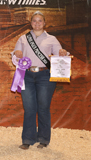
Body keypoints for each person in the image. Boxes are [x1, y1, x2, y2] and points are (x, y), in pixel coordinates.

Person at [13, 11, 68, 150]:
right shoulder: (23, 38)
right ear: (31, 23)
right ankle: (27, 139)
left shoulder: (52, 39)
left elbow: (60, 53)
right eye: (34, 21)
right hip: (27, 75)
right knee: (29, 108)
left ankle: (43, 139)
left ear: (44, 23)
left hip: (45, 76)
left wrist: (62, 53)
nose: (37, 23)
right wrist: (17, 54)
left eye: (40, 21)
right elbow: (16, 55)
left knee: (43, 107)